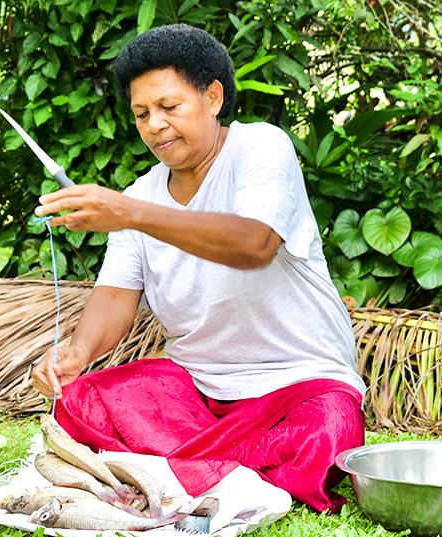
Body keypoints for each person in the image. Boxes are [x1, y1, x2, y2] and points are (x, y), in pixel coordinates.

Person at [30, 23, 366, 513]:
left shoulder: (260, 148)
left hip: (298, 386)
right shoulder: (140, 197)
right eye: (141, 114)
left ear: (212, 96)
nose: (154, 125)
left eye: (169, 107)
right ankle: (218, 472)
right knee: (80, 402)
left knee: (327, 432)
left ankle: (166, 471)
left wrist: (129, 214)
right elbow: (116, 296)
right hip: (195, 392)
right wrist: (76, 352)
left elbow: (254, 244)